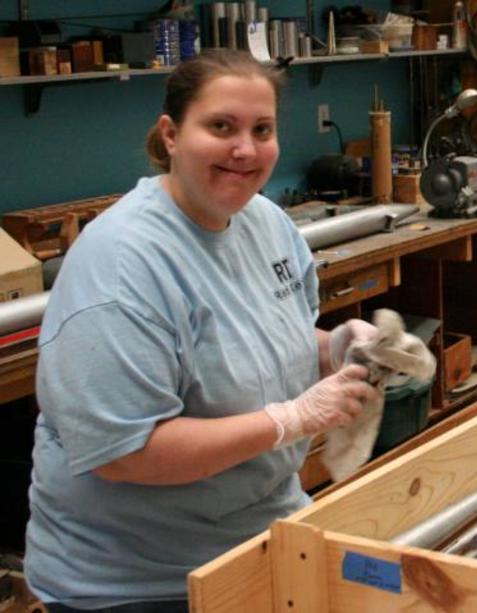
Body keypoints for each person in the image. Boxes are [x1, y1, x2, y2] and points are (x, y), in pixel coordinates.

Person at [25, 49, 380, 611]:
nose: (245, 150)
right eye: (221, 127)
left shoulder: (266, 223)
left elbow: (268, 340)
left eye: (262, 130)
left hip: (263, 539)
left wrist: (337, 348)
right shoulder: (123, 264)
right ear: (171, 135)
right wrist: (290, 419)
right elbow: (126, 452)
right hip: (140, 583)